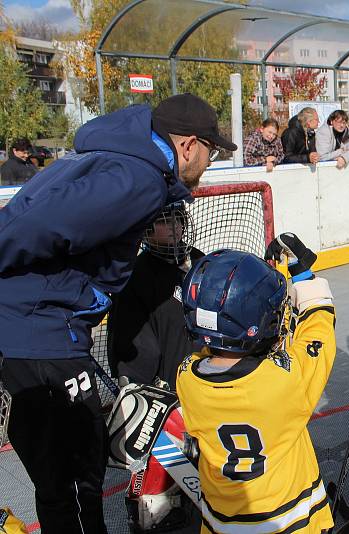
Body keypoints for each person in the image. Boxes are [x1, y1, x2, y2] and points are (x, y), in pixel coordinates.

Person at [0, 92, 233, 533]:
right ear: (187, 146)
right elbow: (35, 225)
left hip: (45, 330)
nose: (211, 160)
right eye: (211, 150)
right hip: (42, 334)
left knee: (77, 464)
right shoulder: (138, 178)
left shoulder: (118, 158)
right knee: (73, 480)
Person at [178, 235, 335, 533]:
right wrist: (304, 278)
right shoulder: (283, 382)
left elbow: (212, 350)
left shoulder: (186, 377)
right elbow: (319, 332)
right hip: (292, 521)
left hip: (221, 523)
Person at [109, 202, 204, 390]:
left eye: (178, 219)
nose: (174, 226)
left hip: (203, 373)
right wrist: (137, 381)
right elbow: (132, 339)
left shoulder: (198, 259)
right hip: (168, 385)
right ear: (146, 229)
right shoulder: (136, 274)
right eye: (164, 221)